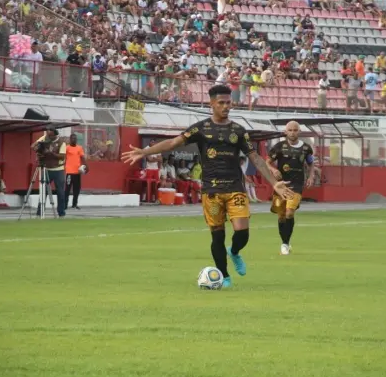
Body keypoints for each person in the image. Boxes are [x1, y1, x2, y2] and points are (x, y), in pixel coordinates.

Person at [122, 85, 293, 288]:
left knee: (242, 232)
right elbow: (173, 143)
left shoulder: (238, 131)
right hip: (211, 191)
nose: (226, 106)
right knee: (217, 234)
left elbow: (254, 157)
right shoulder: (200, 128)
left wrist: (274, 183)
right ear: (211, 103)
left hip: (234, 188)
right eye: (221, 103)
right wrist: (144, 152)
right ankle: (224, 276)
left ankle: (235, 252)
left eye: (228, 102)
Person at [267, 121, 315, 255]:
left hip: (297, 185)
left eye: (295, 130)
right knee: (281, 216)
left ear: (299, 131)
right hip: (281, 185)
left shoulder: (306, 148)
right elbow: (267, 162)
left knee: (289, 212)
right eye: (290, 130)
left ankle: (285, 244)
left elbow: (311, 164)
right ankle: (285, 242)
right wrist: (273, 169)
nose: (293, 132)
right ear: (285, 132)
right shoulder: (279, 147)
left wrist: (311, 177)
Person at [31, 126, 67, 218]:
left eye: (50, 135)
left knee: (60, 192)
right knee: (43, 191)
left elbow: (62, 156)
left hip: (58, 170)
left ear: (55, 135)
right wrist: (37, 148)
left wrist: (50, 153)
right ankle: (40, 212)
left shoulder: (61, 143)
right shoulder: (44, 138)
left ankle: (61, 213)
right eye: (47, 134)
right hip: (46, 168)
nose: (48, 137)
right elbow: (33, 146)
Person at [64, 133, 88, 210]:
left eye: (75, 138)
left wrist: (86, 166)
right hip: (69, 173)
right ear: (70, 139)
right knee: (67, 189)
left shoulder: (79, 148)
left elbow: (82, 157)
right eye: (73, 138)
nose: (74, 140)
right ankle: (65, 204)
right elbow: (63, 158)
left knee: (76, 189)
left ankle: (74, 204)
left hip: (77, 172)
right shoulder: (67, 148)